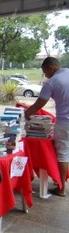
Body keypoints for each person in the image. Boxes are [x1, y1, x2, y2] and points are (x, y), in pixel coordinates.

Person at [25, 57, 69, 197]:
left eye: (45, 72)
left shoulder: (52, 82)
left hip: (65, 122)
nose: (46, 75)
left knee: (63, 154)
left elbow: (39, 104)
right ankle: (60, 182)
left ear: (51, 67)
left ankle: (61, 188)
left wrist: (24, 115)